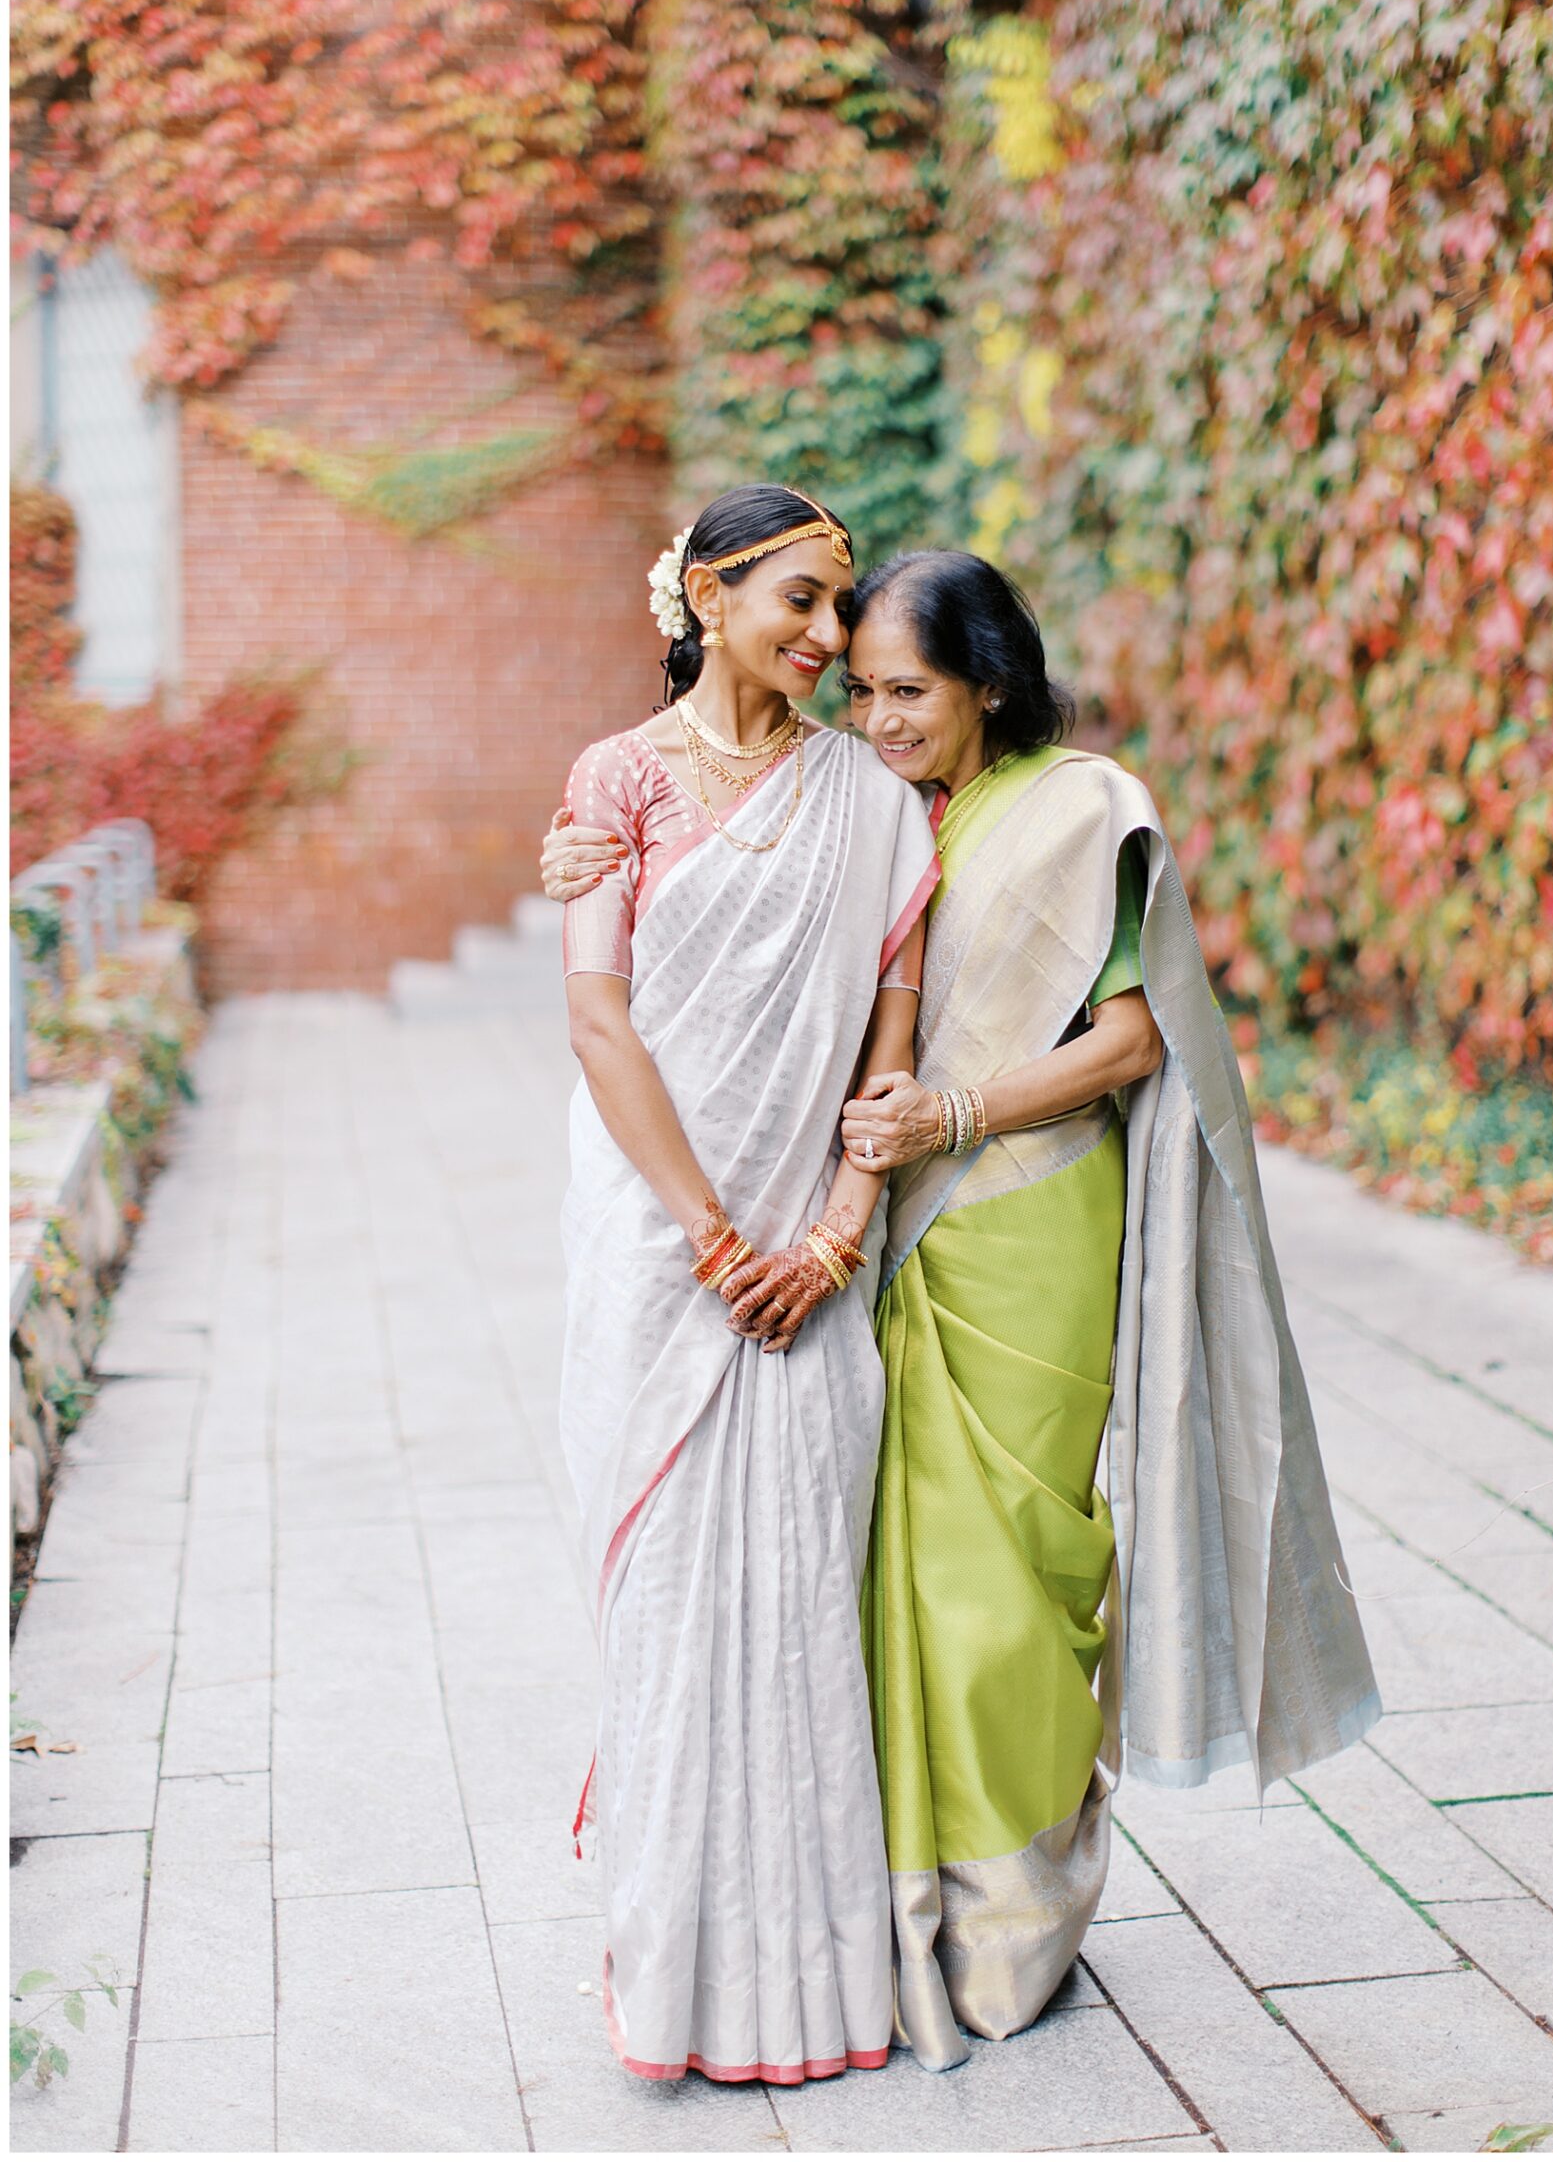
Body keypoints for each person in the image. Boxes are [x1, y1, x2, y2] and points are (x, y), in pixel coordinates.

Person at [545, 545, 1379, 2076]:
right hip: (873, 1250)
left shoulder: (1072, 808)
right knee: (880, 1588)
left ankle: (1017, 1918)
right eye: (859, 690)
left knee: (1005, 1586)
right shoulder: (856, 805)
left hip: (1019, 1221)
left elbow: (1131, 1040)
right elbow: (695, 880)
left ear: (990, 680)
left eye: (908, 691)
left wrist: (951, 1116)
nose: (878, 717)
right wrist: (588, 864)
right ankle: (889, 1915)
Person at [554, 484, 938, 2086]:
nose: (826, 637)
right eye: (794, 598)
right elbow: (597, 1022)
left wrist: (834, 1239)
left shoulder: (867, 797)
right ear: (701, 596)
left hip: (811, 1264)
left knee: (798, 1603)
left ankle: (815, 1991)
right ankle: (670, 1974)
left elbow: (887, 1045)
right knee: (669, 1611)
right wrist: (715, 1239)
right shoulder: (613, 782)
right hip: (664, 1248)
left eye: (839, 609)